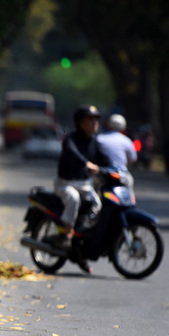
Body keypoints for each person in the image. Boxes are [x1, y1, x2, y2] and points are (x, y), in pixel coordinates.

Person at [54, 105, 107, 272]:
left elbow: (104, 159)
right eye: (89, 120)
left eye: (95, 120)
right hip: (66, 183)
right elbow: (71, 153)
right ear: (79, 123)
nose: (94, 123)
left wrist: (116, 170)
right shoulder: (71, 138)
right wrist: (86, 163)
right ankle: (67, 234)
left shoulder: (94, 142)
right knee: (73, 198)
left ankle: (83, 232)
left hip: (84, 184)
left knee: (97, 204)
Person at [96, 114, 137, 197]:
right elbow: (133, 158)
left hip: (103, 174)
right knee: (130, 189)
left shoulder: (99, 138)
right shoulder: (126, 140)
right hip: (121, 174)